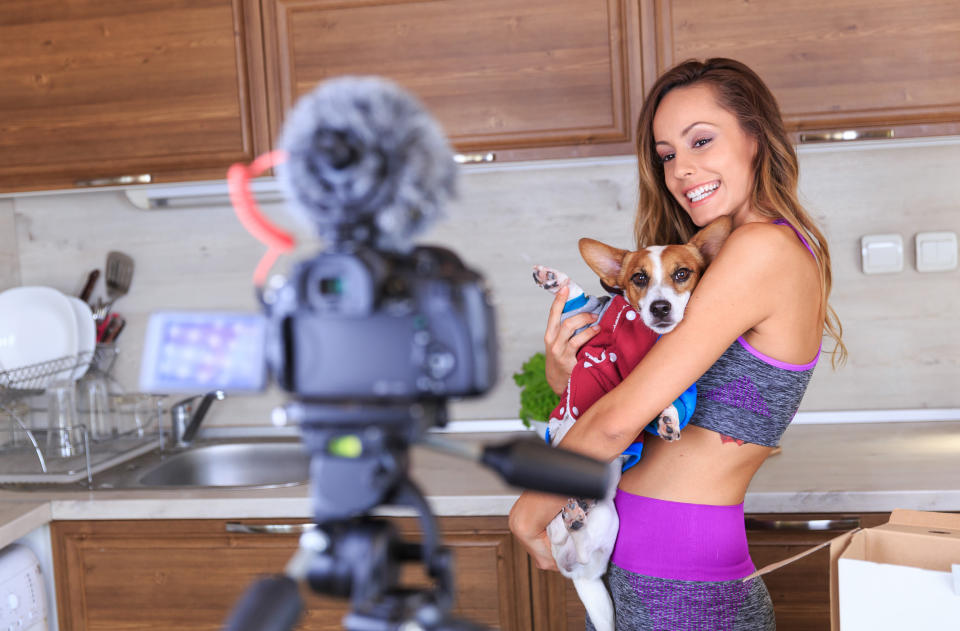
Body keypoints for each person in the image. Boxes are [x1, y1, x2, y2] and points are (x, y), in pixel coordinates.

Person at [508, 57, 847, 630]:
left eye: (701, 141)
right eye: (667, 155)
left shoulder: (763, 249)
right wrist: (565, 379)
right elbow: (633, 407)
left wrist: (527, 513)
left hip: (681, 587)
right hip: (644, 571)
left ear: (756, 137)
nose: (682, 170)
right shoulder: (717, 262)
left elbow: (619, 423)